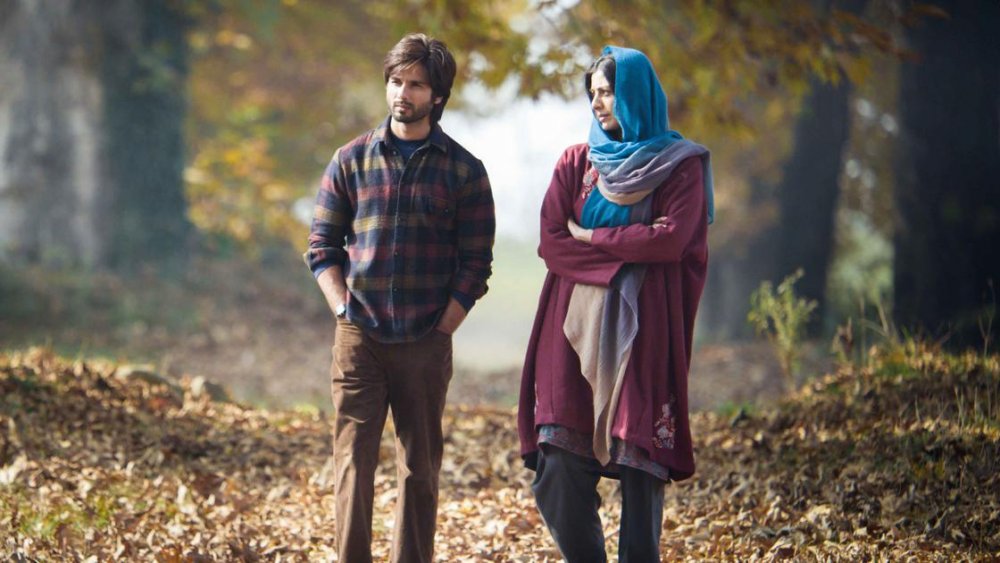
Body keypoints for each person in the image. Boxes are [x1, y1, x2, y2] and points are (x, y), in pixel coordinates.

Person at [517, 45, 714, 562]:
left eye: (607, 92)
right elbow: (552, 243)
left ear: (635, 94)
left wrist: (593, 239)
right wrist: (630, 247)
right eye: (593, 94)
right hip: (571, 327)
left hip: (645, 330)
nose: (598, 104)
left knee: (639, 463)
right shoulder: (575, 162)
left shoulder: (681, 168)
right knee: (557, 460)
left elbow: (671, 242)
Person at [305, 33, 495, 563]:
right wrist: (343, 308)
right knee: (352, 463)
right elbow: (321, 247)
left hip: (425, 340)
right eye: (395, 81)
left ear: (438, 96)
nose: (401, 93)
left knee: (420, 469)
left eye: (415, 84)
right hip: (359, 338)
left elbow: (475, 265)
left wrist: (443, 329)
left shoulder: (464, 172)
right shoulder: (350, 160)